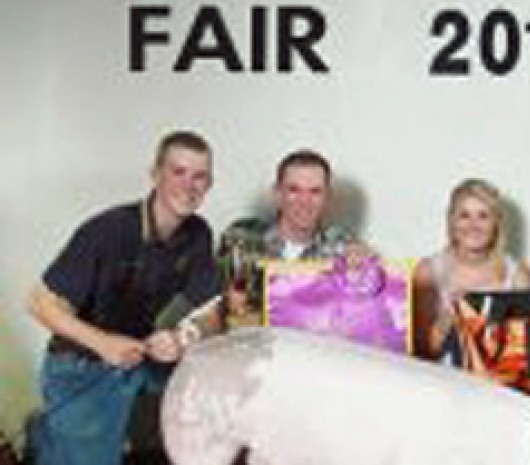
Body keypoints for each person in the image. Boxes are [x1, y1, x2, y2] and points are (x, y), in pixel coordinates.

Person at [28, 130, 219, 465]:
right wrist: (104, 343)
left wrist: (182, 336)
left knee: (212, 411)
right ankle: (47, 438)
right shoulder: (107, 230)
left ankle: (50, 437)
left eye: (199, 176)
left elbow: (211, 310)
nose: (189, 185)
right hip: (82, 368)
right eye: (178, 172)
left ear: (209, 184)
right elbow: (39, 303)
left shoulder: (198, 233)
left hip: (141, 359)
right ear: (155, 174)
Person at [217, 149, 361, 320]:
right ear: (278, 193)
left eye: (315, 192)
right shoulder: (240, 236)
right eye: (294, 190)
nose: (304, 202)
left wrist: (366, 272)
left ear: (327, 197)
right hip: (249, 342)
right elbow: (212, 304)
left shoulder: (342, 248)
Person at [412, 178, 530, 367]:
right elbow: (418, 354)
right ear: (451, 222)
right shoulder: (428, 271)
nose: (473, 225)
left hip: (497, 387)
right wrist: (446, 322)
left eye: (483, 216)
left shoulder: (518, 278)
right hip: (442, 384)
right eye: (464, 215)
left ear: (496, 224)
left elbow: (529, 356)